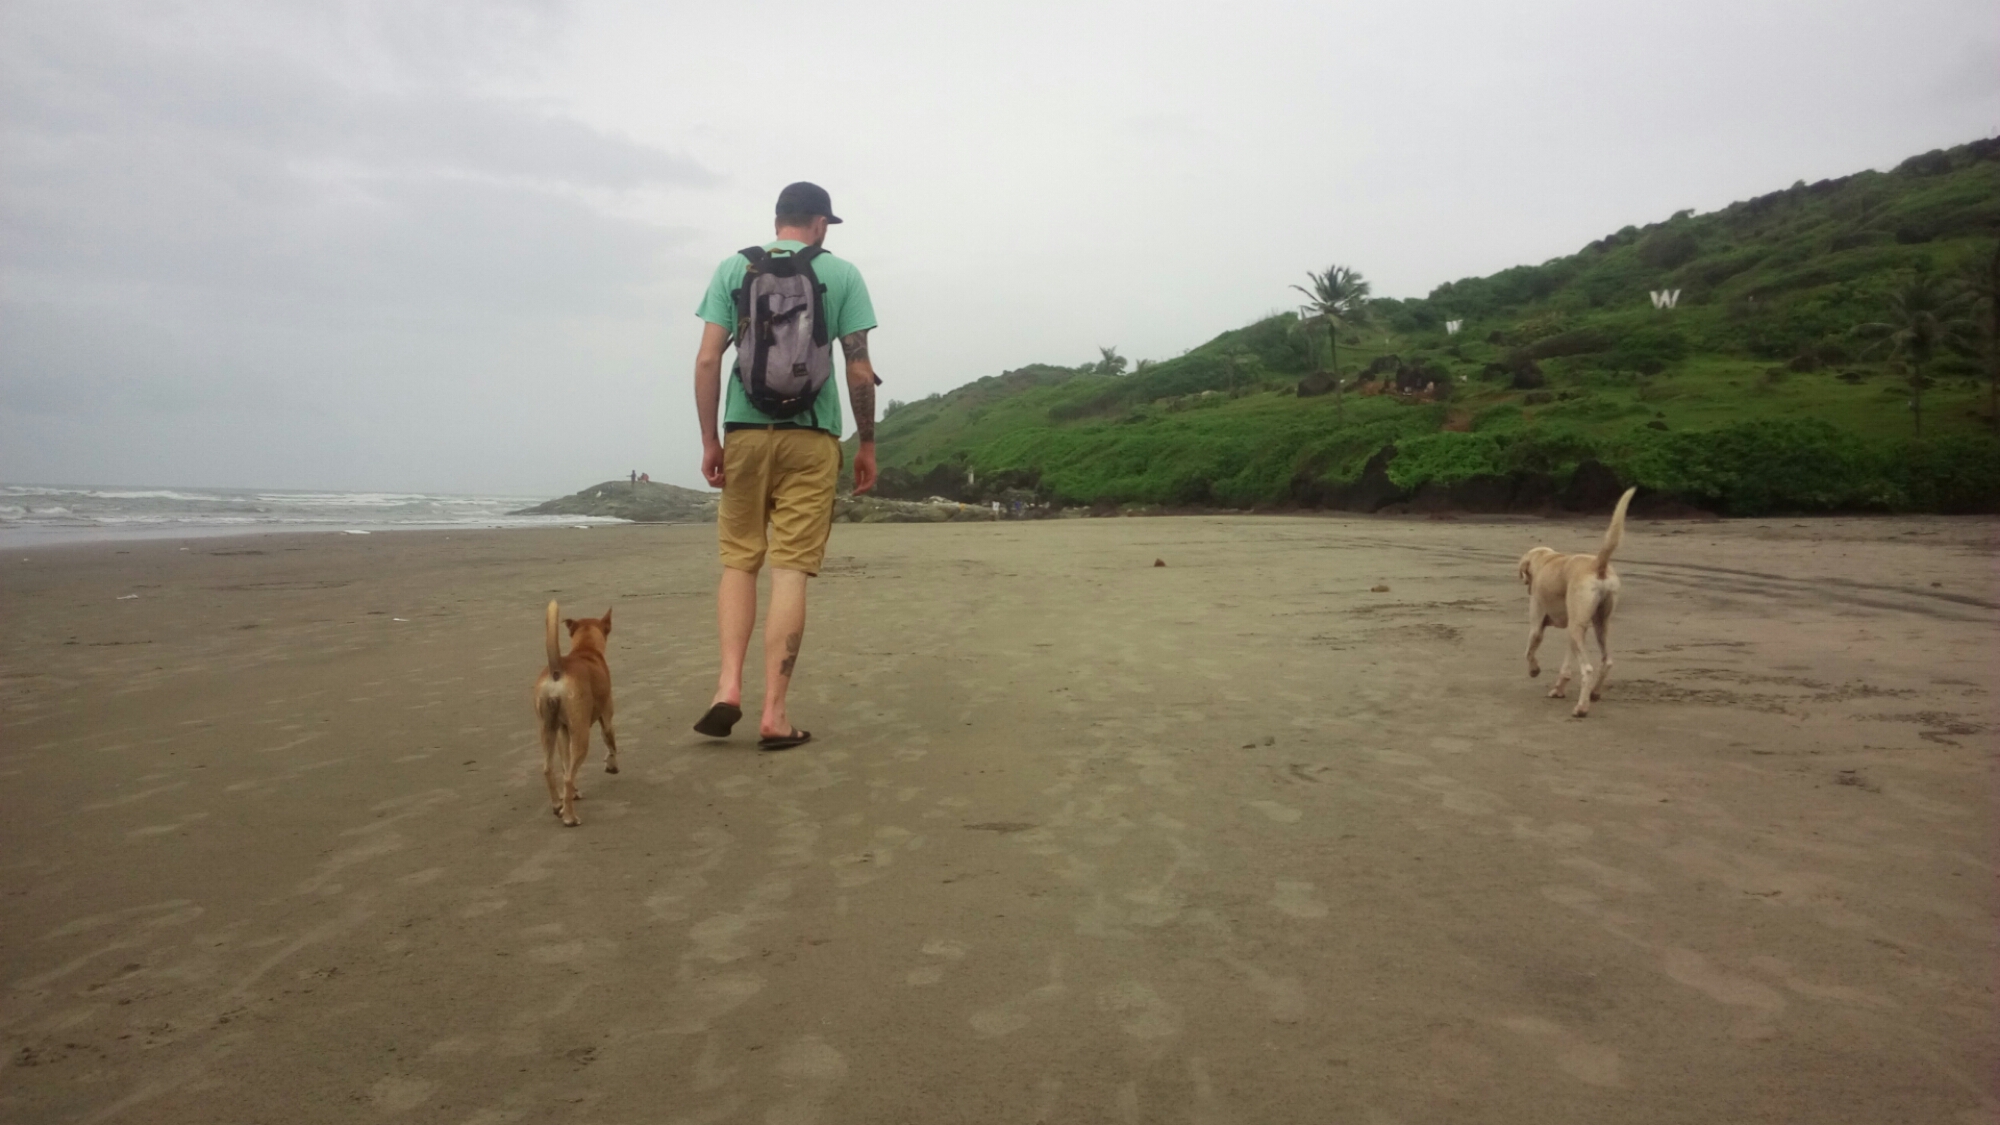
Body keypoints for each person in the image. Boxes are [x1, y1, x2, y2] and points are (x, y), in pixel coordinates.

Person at [689, 182, 878, 750]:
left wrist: (710, 440)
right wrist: (867, 444)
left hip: (745, 433)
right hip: (812, 437)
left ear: (777, 220)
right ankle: (774, 713)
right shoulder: (841, 274)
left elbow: (707, 360)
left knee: (740, 562)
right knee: (790, 569)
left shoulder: (734, 269)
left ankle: (728, 687)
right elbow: (859, 369)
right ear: (819, 223)